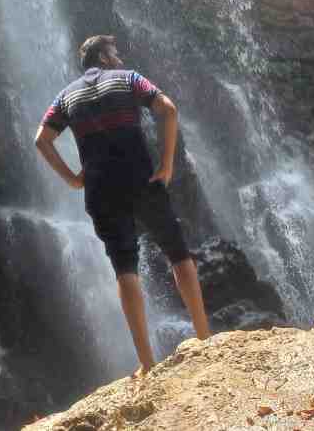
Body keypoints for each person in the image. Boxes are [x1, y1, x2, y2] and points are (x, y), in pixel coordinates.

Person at [34, 34, 211, 376]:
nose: (119, 56)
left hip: (100, 189)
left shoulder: (66, 95)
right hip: (141, 178)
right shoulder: (128, 78)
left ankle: (146, 363)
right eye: (114, 52)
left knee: (125, 267)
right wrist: (168, 163)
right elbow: (168, 110)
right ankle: (205, 338)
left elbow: (41, 139)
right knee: (178, 253)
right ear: (103, 55)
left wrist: (72, 179)